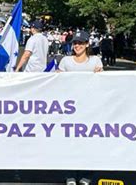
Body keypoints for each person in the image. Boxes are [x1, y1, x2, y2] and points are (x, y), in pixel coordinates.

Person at [58, 31, 101, 185]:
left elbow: (102, 82)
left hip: (90, 108)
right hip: (69, 108)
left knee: (89, 143)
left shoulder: (95, 61)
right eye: (75, 43)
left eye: (81, 43)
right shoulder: (66, 61)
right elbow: (57, 84)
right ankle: (70, 174)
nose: (77, 46)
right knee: (69, 143)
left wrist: (100, 74)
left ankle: (87, 174)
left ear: (87, 44)